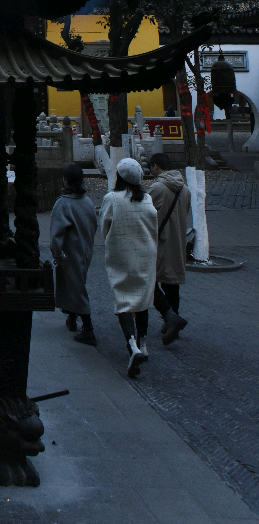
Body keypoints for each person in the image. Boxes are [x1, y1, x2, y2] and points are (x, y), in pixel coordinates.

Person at [100, 157, 158, 378]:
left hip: (121, 254)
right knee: (142, 300)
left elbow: (104, 227)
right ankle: (143, 343)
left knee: (124, 300)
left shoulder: (112, 199)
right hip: (146, 255)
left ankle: (132, 345)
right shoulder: (148, 199)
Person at [49, 163, 98, 346]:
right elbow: (94, 224)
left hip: (70, 252)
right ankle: (71, 318)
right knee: (75, 283)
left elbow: (56, 236)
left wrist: (58, 255)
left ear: (65, 180)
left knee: (76, 287)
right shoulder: (87, 201)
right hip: (86, 248)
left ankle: (88, 327)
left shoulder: (63, 203)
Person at [149, 152, 191, 344]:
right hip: (178, 242)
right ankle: (173, 320)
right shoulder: (186, 190)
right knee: (172, 284)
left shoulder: (157, 188)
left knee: (150, 282)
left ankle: (169, 317)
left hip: (159, 242)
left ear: (156, 167)